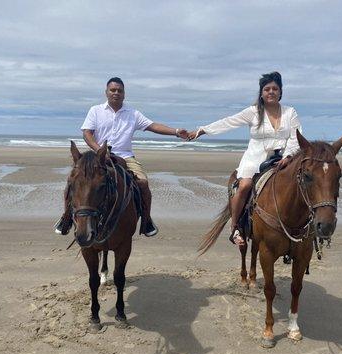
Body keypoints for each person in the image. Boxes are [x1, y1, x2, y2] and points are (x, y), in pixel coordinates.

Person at [55, 77, 189, 237]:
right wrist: (100, 151)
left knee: (143, 184)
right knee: (73, 181)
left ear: (124, 94)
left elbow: (152, 126)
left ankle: (146, 221)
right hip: (98, 156)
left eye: (120, 90)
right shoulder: (95, 110)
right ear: (106, 92)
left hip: (126, 157)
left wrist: (175, 132)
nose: (116, 93)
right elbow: (87, 133)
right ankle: (66, 218)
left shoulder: (133, 113)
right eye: (113, 90)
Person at [188, 71, 302, 246]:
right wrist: (202, 130)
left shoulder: (290, 112)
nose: (271, 92)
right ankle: (235, 228)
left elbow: (296, 136)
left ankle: (305, 226)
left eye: (275, 88)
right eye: (267, 89)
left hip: (283, 159)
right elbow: (228, 121)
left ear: (280, 92)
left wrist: (288, 156)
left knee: (303, 183)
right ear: (261, 93)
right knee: (245, 185)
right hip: (255, 158)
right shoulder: (253, 112)